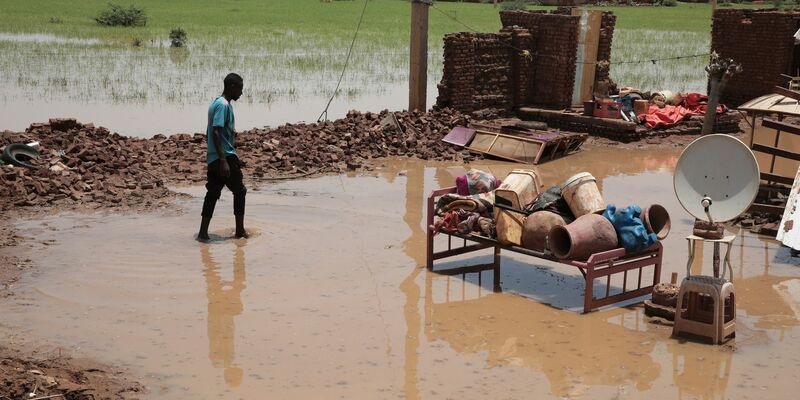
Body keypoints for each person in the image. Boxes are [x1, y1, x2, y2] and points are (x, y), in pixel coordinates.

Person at [198, 73, 248, 241]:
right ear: (232, 87)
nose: (241, 93)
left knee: (212, 193)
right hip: (223, 157)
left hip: (214, 157)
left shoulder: (216, 103)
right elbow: (216, 131)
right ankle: (240, 231)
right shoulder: (223, 105)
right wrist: (224, 160)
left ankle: (203, 233)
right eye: (240, 88)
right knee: (240, 191)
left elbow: (214, 133)